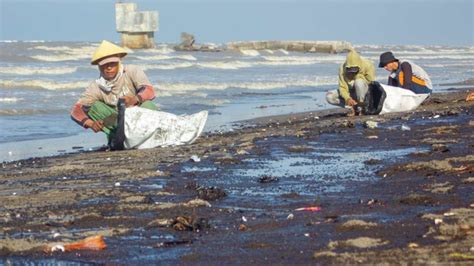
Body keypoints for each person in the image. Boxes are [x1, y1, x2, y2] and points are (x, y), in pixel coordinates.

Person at [70, 40, 158, 146]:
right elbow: (76, 110)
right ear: (99, 66)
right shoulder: (96, 86)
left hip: (138, 118)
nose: (109, 67)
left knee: (149, 105)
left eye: (112, 63)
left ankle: (148, 136)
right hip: (116, 123)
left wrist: (134, 99)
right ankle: (115, 137)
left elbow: (149, 91)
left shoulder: (131, 71)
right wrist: (91, 124)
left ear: (119, 61)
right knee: (94, 107)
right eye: (104, 64)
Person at [326, 50, 375, 116]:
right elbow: (342, 87)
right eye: (350, 70)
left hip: (364, 93)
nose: (352, 72)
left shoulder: (368, 65)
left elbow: (371, 82)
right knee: (329, 96)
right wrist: (347, 98)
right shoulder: (342, 68)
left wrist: (358, 76)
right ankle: (352, 107)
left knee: (358, 82)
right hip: (351, 93)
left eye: (354, 70)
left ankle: (362, 108)